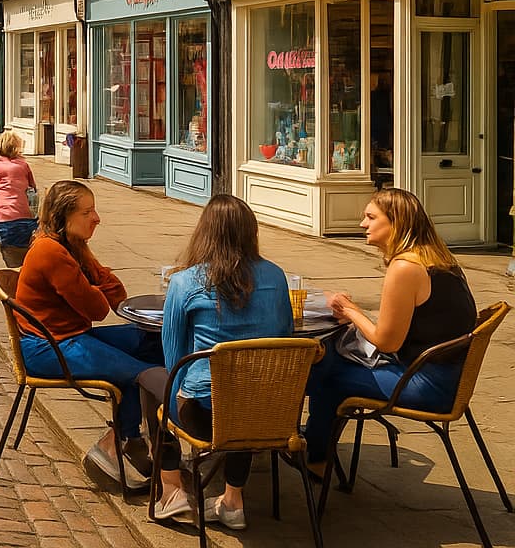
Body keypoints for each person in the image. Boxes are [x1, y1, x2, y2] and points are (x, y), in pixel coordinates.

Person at [137, 195, 292, 527]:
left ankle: (171, 488)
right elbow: (285, 339)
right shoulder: (277, 278)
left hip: (203, 415)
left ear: (204, 232)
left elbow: (173, 357)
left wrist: (176, 405)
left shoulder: (185, 282)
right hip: (266, 411)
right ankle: (232, 500)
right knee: (244, 395)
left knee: (149, 379)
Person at [301, 188, 477, 474]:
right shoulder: (438, 260)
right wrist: (354, 314)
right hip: (447, 378)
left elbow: (386, 342)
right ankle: (313, 444)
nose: (362, 224)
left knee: (328, 375)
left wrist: (349, 310)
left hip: (427, 385)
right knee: (331, 357)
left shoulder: (406, 268)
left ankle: (314, 456)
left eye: (371, 217)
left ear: (396, 223)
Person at [15, 180, 159, 490]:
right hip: (48, 348)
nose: (97, 218)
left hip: (71, 337)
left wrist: (91, 274)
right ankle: (115, 444)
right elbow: (98, 308)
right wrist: (94, 283)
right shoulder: (52, 252)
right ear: (64, 217)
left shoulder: (71, 247)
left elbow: (116, 292)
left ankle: (130, 438)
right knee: (144, 373)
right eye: (88, 212)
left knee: (151, 341)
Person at [0, 132, 37, 266]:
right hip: (27, 221)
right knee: (23, 253)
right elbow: (33, 188)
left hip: (4, 224)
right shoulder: (24, 166)